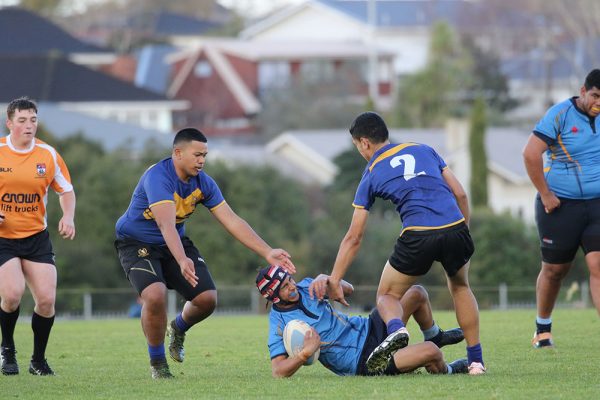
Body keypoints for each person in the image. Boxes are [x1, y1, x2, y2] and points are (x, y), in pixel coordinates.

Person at [309, 111, 485, 375]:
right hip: (455, 228)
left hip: (418, 234)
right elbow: (459, 192)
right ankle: (476, 362)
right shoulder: (424, 149)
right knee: (460, 287)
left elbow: (354, 237)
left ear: (365, 142)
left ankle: (396, 330)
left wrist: (335, 279)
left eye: (358, 146)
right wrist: (463, 231)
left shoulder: (370, 173)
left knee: (387, 295)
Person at [114, 128, 296, 379]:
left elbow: (231, 220)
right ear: (177, 153)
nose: (202, 160)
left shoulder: (204, 183)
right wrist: (181, 259)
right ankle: (158, 363)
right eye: (197, 155)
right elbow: (165, 225)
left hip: (175, 241)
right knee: (154, 296)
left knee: (207, 299)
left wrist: (267, 251)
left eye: (205, 155)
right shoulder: (158, 177)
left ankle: (178, 328)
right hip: (137, 243)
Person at [256, 265, 467, 378]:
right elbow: (278, 371)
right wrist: (304, 354)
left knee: (416, 293)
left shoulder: (307, 286)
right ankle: (447, 370)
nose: (292, 286)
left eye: (290, 280)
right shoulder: (278, 324)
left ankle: (435, 334)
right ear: (274, 296)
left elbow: (348, 290)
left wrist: (329, 280)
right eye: (284, 286)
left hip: (368, 327)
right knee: (431, 352)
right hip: (363, 360)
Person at [523, 68, 600, 349]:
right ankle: (542, 329)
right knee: (555, 270)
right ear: (583, 91)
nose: (598, 103)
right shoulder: (560, 114)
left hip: (597, 206)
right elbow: (530, 154)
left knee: (597, 264)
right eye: (595, 96)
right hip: (559, 205)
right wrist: (545, 194)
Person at [0, 97, 76, 376]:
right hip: (3, 238)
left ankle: (38, 361)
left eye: (33, 120)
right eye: (22, 120)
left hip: (36, 237)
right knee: (12, 294)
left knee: (45, 301)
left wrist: (67, 216)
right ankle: (7, 349)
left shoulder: (48, 154)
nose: (29, 125)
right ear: (10, 123)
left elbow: (66, 190)